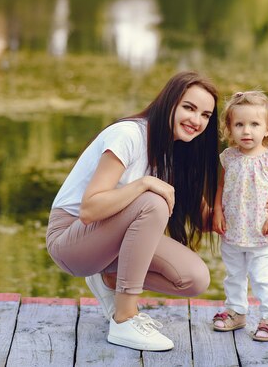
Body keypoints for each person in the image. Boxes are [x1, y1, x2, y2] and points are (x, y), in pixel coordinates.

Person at [46, 71, 219, 351]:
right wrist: (144, 183)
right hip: (70, 239)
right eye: (189, 108)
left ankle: (109, 277)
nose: (196, 120)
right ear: (169, 103)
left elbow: (204, 219)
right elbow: (89, 210)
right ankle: (124, 318)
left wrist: (246, 200)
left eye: (206, 115)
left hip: (111, 241)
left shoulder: (175, 151)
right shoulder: (129, 135)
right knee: (153, 200)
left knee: (194, 278)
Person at [212, 90, 268, 342]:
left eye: (254, 124)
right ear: (229, 128)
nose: (247, 131)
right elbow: (221, 188)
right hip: (232, 231)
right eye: (239, 124)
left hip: (260, 232)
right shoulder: (228, 158)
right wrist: (217, 211)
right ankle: (236, 311)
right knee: (233, 274)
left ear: (267, 128)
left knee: (261, 277)